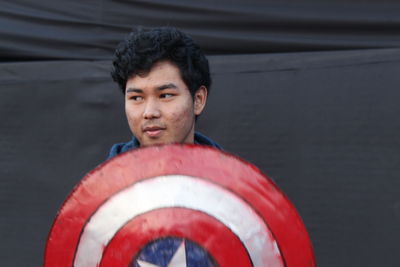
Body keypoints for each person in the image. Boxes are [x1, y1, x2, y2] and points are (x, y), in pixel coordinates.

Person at [107, 27, 222, 159]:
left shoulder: (232, 177)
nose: (149, 113)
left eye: (165, 95)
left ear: (198, 100)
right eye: (137, 97)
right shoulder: (103, 179)